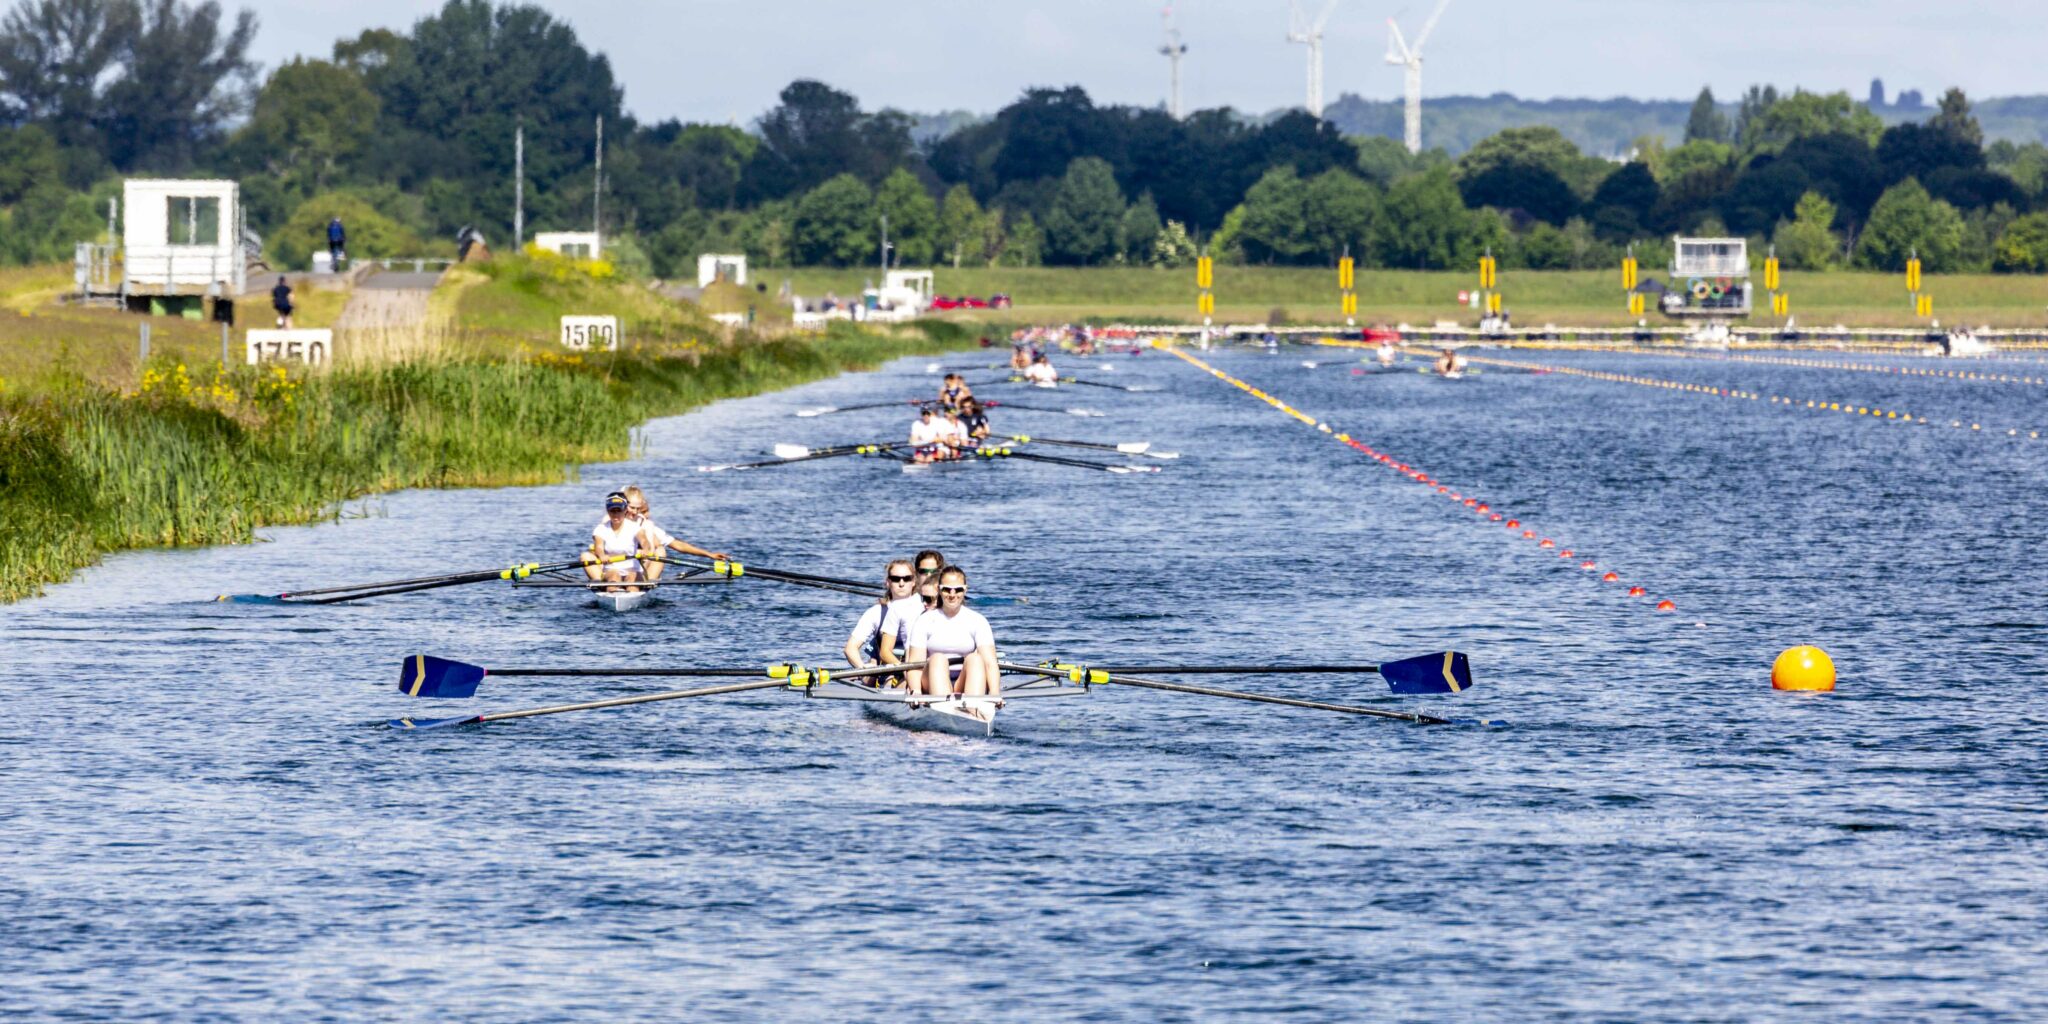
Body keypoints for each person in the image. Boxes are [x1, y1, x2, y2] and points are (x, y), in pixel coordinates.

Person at [905, 566, 1000, 700]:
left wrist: (995, 694)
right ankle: (942, 706)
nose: (952, 594)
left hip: (963, 680)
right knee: (937, 658)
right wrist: (915, 691)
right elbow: (915, 664)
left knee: (976, 659)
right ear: (939, 589)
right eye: (947, 589)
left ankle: (976, 707)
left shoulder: (978, 620)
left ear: (965, 590)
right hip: (931, 678)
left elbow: (990, 663)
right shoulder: (924, 620)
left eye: (958, 589)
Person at [620, 485, 727, 581]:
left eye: (639, 510)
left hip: (637, 568)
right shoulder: (613, 522)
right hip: (617, 566)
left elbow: (678, 545)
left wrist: (709, 554)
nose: (636, 512)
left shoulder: (647, 525)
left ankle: (646, 584)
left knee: (660, 550)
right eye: (633, 508)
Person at [843, 559, 924, 669]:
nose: (901, 583)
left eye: (907, 579)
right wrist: (863, 668)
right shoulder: (876, 612)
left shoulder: (924, 607)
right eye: (895, 579)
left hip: (917, 668)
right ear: (888, 582)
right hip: (888, 673)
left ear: (914, 581)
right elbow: (850, 648)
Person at [581, 491, 647, 589]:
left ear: (625, 511)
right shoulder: (601, 529)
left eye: (618, 510)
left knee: (631, 580)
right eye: (612, 511)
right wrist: (602, 555)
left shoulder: (634, 527)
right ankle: (613, 593)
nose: (615, 514)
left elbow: (644, 541)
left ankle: (631, 593)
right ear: (608, 511)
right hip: (611, 569)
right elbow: (599, 546)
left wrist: (645, 550)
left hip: (632, 569)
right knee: (613, 577)